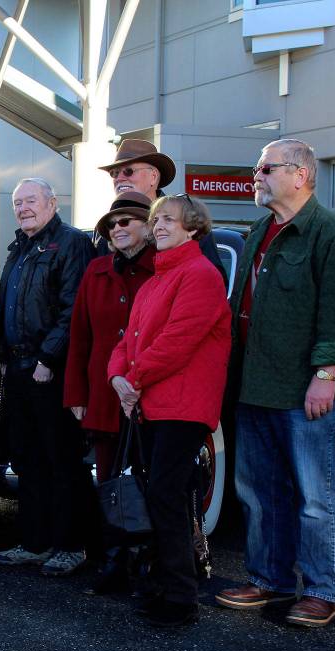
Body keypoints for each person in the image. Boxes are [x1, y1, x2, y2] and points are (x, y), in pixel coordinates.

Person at [216, 139, 335, 628]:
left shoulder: (331, 235)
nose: (256, 176)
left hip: (307, 390)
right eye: (256, 168)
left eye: (266, 168)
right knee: (259, 492)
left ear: (301, 174)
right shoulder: (260, 230)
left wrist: (326, 377)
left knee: (314, 496)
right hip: (257, 386)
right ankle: (270, 579)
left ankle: (324, 591)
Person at [107, 194, 231, 627]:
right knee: (157, 496)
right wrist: (117, 378)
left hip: (183, 406)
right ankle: (162, 585)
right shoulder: (155, 281)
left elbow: (177, 342)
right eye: (156, 219)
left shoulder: (202, 274)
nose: (158, 226)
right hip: (151, 404)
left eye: (169, 220)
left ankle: (181, 597)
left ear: (193, 228)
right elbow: (127, 340)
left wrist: (133, 380)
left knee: (167, 495)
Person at [0, 178, 96, 577]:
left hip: (51, 370)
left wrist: (48, 358)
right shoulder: (19, 247)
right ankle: (35, 542)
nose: (23, 208)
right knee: (27, 460)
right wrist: (3, 354)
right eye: (18, 203)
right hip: (19, 369)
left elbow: (74, 309)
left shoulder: (71, 243)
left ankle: (71, 545)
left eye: (31, 200)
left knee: (62, 460)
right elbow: (9, 305)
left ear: (53, 203)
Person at [64, 192, 155, 594]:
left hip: (150, 395)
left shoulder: (163, 268)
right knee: (110, 481)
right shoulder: (97, 270)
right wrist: (76, 393)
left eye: (126, 221)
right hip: (103, 394)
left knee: (152, 481)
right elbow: (80, 335)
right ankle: (114, 563)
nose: (117, 229)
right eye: (111, 224)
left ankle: (149, 565)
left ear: (148, 227)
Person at [99, 139, 225, 275]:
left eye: (128, 171)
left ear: (153, 176)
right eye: (114, 173)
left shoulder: (186, 217)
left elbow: (212, 278)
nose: (119, 178)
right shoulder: (108, 226)